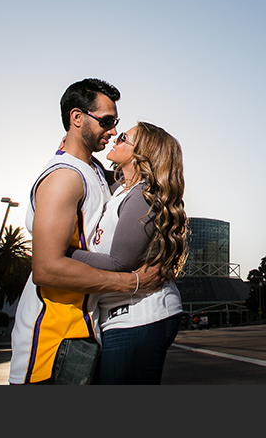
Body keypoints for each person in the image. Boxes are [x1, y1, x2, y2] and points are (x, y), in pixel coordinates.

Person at [9, 79, 162, 385]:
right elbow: (47, 269)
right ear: (77, 118)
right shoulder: (64, 177)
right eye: (105, 122)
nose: (111, 131)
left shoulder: (92, 171)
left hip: (83, 328)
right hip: (52, 342)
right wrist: (130, 282)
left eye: (114, 123)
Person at [69, 121, 188, 385]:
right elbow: (93, 169)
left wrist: (63, 255)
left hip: (139, 317)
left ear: (140, 154)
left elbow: (119, 262)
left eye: (124, 137)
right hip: (118, 316)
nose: (115, 138)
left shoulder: (142, 196)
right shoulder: (120, 190)